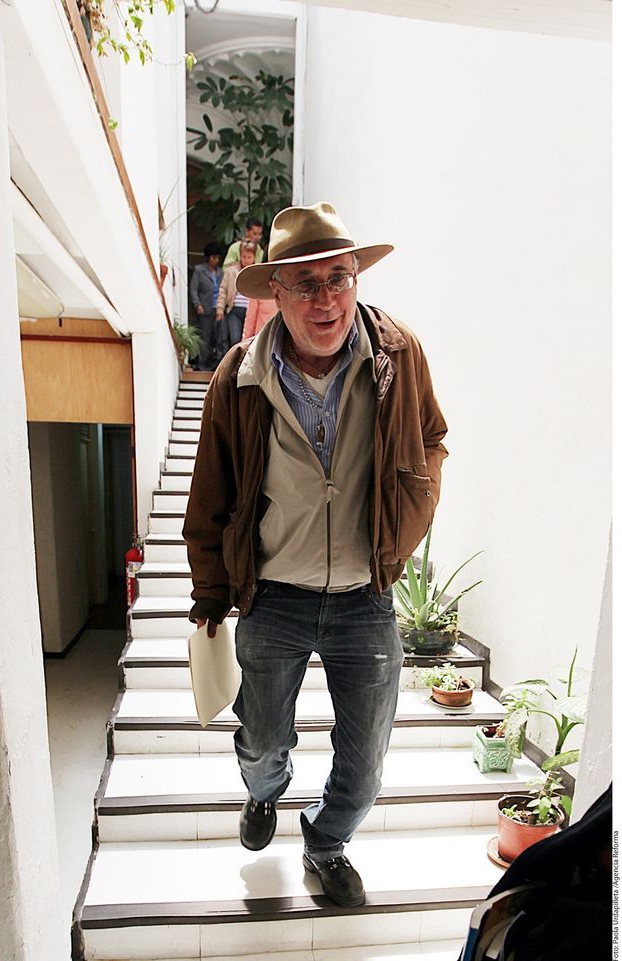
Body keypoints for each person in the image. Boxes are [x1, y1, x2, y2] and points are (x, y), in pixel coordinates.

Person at [182, 201, 448, 908]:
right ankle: (263, 793)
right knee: (262, 743)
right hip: (274, 595)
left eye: (339, 277)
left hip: (366, 597)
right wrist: (211, 594)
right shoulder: (237, 376)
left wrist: (410, 518)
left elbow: (431, 439)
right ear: (276, 292)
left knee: (366, 767)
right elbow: (211, 494)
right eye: (306, 283)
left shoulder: (399, 355)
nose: (326, 299)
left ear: (356, 278)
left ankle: (325, 842)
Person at [215, 240, 257, 355]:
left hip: (251, 311)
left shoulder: (256, 272)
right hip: (235, 310)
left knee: (250, 339)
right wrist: (220, 309)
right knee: (235, 339)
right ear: (240, 255)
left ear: (254, 257)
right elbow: (223, 290)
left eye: (249, 257)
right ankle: (235, 362)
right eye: (244, 257)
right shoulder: (231, 271)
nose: (246, 260)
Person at [189, 242, 222, 371]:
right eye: (213, 257)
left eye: (217, 258)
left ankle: (212, 363)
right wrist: (197, 304)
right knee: (205, 337)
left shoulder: (220, 272)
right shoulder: (199, 270)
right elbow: (193, 289)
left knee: (217, 337)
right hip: (205, 308)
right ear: (208, 257)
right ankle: (202, 364)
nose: (216, 260)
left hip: (217, 308)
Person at [242, 249, 277, 338]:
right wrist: (246, 340)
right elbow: (251, 317)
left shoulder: (289, 287)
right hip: (261, 340)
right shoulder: (257, 287)